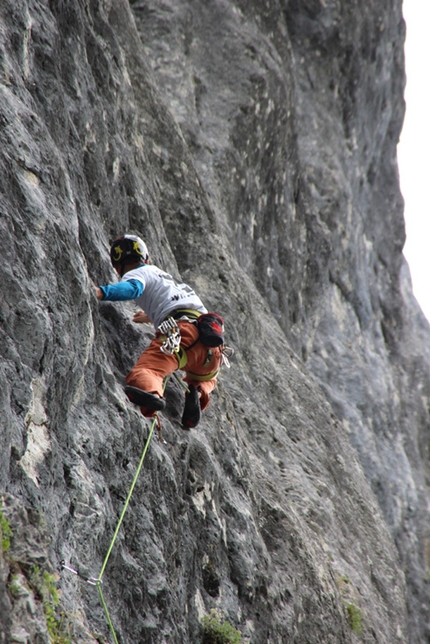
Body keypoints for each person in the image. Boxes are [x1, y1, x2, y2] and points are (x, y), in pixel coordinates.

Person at [94, 234, 224, 428]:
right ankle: (198, 390)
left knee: (149, 370)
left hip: (182, 337)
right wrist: (151, 315)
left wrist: (101, 292)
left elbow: (133, 289)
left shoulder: (139, 273)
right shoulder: (169, 278)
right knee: (209, 377)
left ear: (117, 266)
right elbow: (179, 304)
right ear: (146, 257)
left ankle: (151, 394)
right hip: (213, 347)